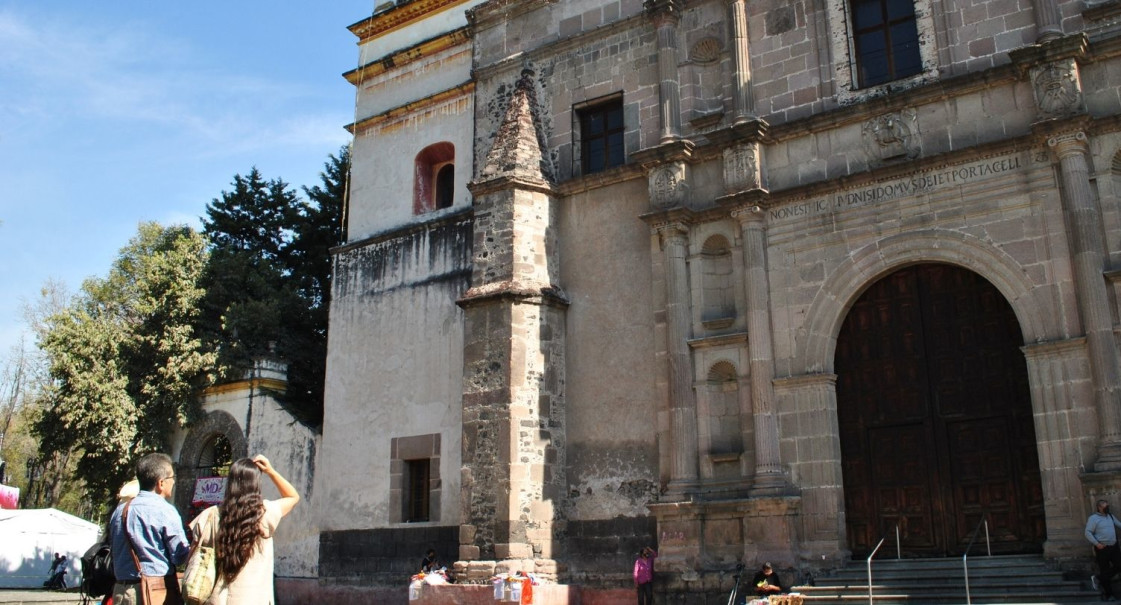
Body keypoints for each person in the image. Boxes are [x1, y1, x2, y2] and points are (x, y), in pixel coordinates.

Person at [194, 455, 299, 605]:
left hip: (216, 599)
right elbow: (293, 496)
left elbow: (195, 552)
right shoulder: (265, 513)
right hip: (254, 598)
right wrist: (270, 471)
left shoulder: (210, 515)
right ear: (256, 484)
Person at [108, 452, 190, 605]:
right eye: (172, 478)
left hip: (120, 591)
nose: (174, 482)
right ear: (161, 483)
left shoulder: (120, 510)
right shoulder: (165, 510)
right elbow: (179, 556)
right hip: (152, 593)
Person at [1087, 499, 1121, 600]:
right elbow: (1088, 532)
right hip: (1102, 548)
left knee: (1119, 565)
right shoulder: (1093, 518)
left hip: (1114, 546)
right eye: (1105, 507)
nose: (1107, 508)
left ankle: (1098, 578)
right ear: (1099, 507)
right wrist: (1097, 544)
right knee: (1104, 569)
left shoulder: (1110, 516)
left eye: (1108, 506)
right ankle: (1109, 595)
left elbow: (1119, 524)